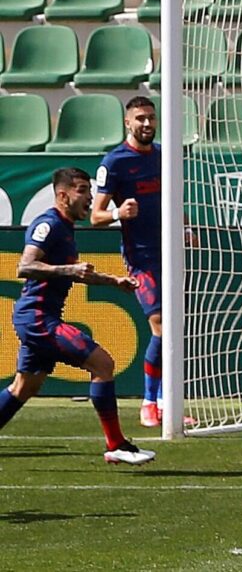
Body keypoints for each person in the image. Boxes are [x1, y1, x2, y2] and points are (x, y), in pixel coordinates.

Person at [0, 168, 156, 465]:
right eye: (83, 190)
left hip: (39, 316)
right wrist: (67, 271)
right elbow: (24, 266)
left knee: (24, 387)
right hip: (37, 318)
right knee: (103, 363)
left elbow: (78, 272)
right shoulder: (48, 224)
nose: (90, 198)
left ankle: (116, 444)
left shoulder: (65, 226)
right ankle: (116, 445)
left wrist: (114, 281)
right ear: (62, 195)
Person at [92, 96, 165, 427]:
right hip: (142, 257)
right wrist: (117, 214)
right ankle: (149, 402)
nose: (147, 124)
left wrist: (186, 226)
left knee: (175, 331)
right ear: (127, 123)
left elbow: (173, 199)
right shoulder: (115, 162)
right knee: (161, 325)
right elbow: (94, 216)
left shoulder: (164, 156)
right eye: (140, 119)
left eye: (150, 117)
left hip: (170, 253)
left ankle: (166, 401)